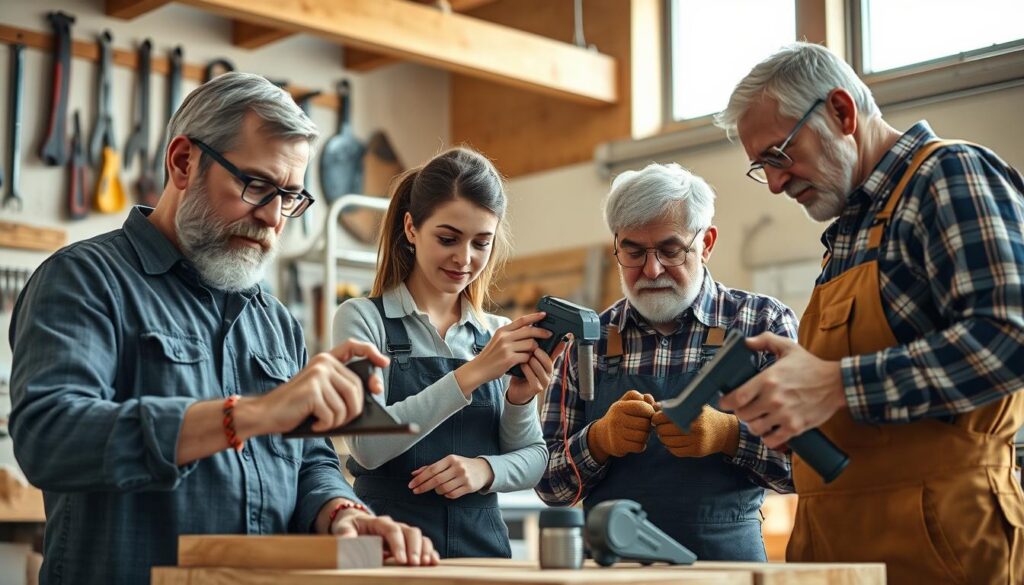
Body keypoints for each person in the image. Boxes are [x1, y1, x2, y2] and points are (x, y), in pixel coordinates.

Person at [9, 73, 435, 585]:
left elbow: (310, 462)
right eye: (256, 186)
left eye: (290, 197)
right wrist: (248, 415)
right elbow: (50, 438)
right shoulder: (85, 279)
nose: (273, 217)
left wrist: (341, 511)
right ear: (183, 163)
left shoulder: (275, 321)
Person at [714, 42, 1024, 584]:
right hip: (837, 552)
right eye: (762, 168)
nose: (776, 183)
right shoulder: (849, 235)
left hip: (942, 547)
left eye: (779, 154)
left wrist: (836, 384)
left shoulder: (949, 175)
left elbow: (1010, 336)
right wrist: (803, 413)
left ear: (841, 111)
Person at [534, 163, 799, 560]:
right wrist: (598, 441)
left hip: (724, 574)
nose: (652, 269)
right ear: (616, 246)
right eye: (633, 252)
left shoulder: (761, 324)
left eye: (670, 250)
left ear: (706, 243)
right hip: (615, 573)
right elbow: (548, 486)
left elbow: (802, 470)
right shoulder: (589, 340)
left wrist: (729, 436)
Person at [333, 147, 560, 558]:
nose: (464, 258)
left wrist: (487, 463)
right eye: (447, 238)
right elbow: (366, 445)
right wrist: (473, 373)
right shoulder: (362, 318)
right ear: (411, 228)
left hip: (482, 554)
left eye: (481, 243)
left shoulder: (498, 332)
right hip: (384, 552)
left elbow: (533, 458)